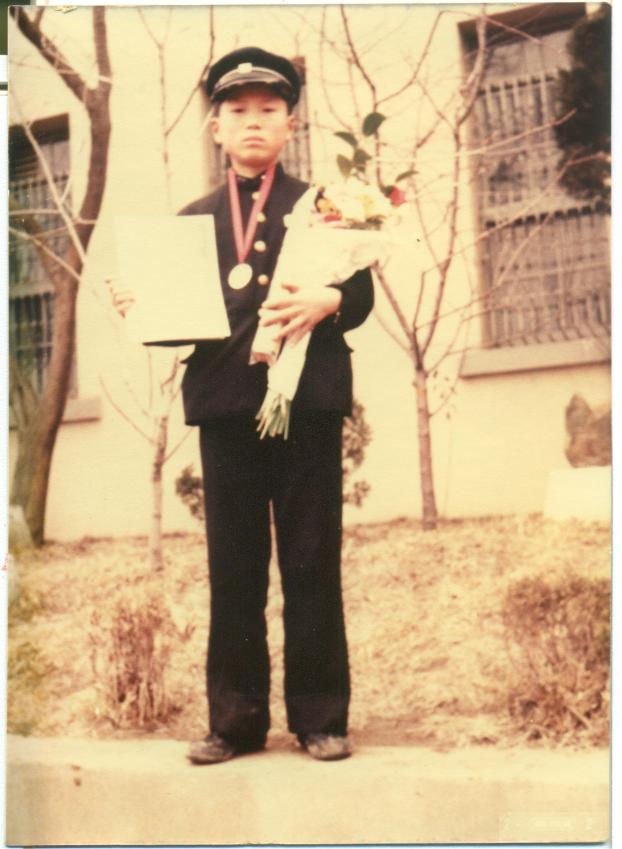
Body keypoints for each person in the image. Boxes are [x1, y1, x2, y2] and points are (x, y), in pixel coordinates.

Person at [117, 47, 374, 763]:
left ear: (291, 124)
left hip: (307, 402)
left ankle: (320, 718)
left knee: (312, 559)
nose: (253, 121)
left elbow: (360, 293)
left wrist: (330, 298)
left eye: (269, 109)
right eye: (238, 110)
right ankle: (234, 722)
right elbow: (174, 323)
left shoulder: (327, 208)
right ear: (216, 128)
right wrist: (137, 305)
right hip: (228, 406)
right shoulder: (191, 220)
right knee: (234, 568)